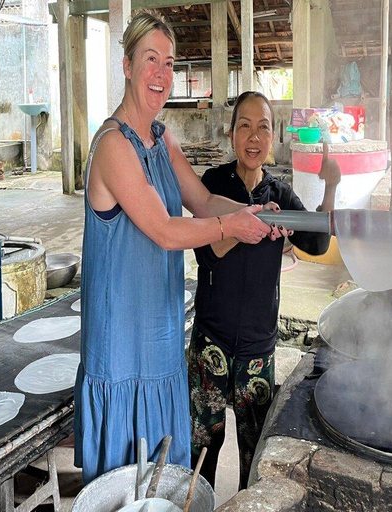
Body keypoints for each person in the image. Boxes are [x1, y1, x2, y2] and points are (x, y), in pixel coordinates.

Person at [74, 12, 282, 484]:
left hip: (161, 333)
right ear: (126, 65)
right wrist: (233, 225)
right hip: (123, 339)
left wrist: (262, 215)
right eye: (151, 60)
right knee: (125, 481)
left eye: (169, 62)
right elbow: (166, 230)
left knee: (163, 477)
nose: (162, 75)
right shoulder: (113, 146)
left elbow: (204, 200)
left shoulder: (161, 137)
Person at [188, 91, 341, 490]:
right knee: (202, 447)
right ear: (232, 135)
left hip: (258, 349)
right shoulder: (212, 184)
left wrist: (331, 187)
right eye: (245, 126)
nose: (254, 136)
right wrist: (247, 226)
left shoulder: (281, 195)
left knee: (254, 455)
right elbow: (206, 254)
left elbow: (319, 244)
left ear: (273, 138)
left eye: (264, 127)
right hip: (211, 344)